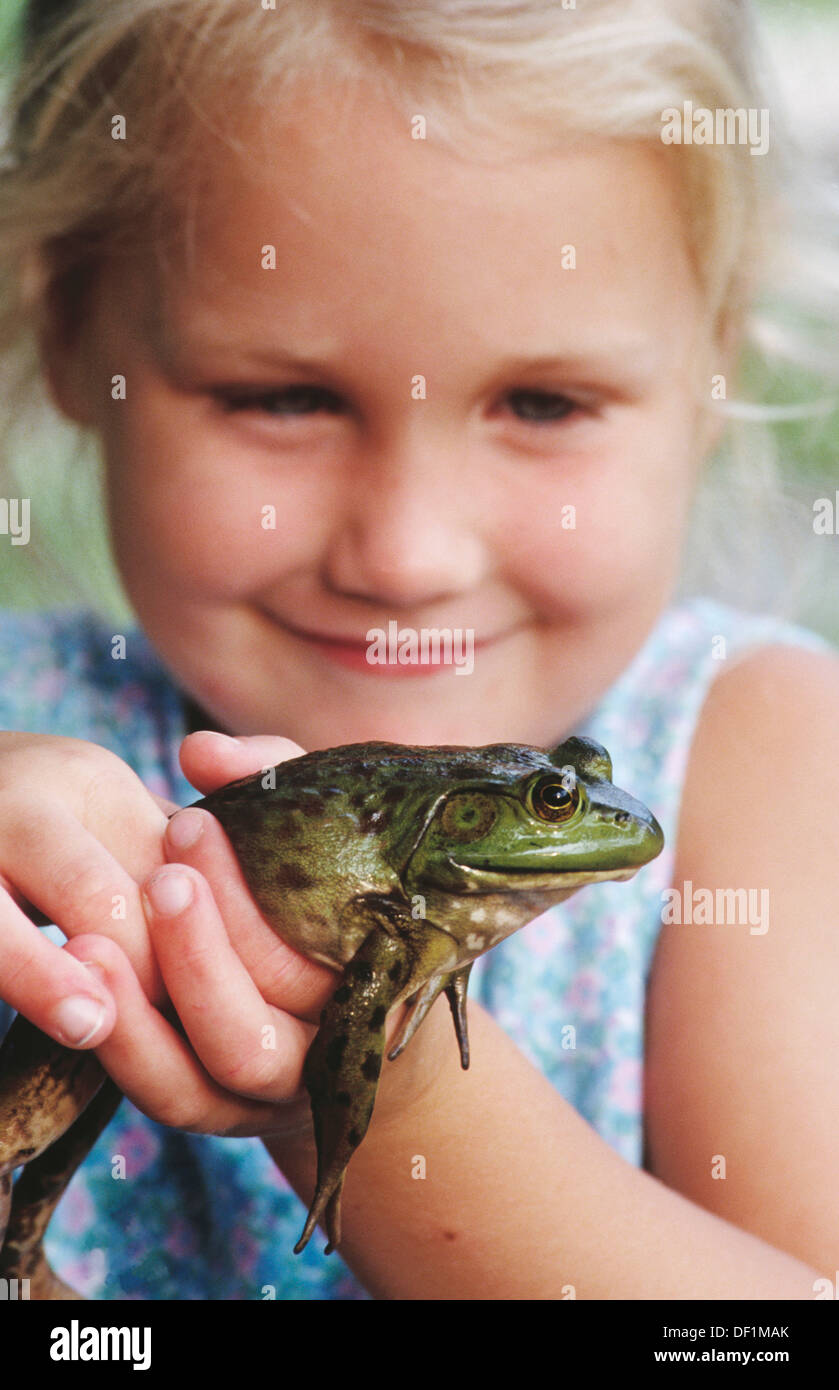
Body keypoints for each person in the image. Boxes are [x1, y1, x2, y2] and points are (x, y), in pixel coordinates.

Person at [0, 0, 837, 1300]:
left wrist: (389, 1089)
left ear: (714, 364)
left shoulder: (761, 764)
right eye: (284, 396)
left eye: (544, 401)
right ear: (70, 329)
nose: (406, 552)